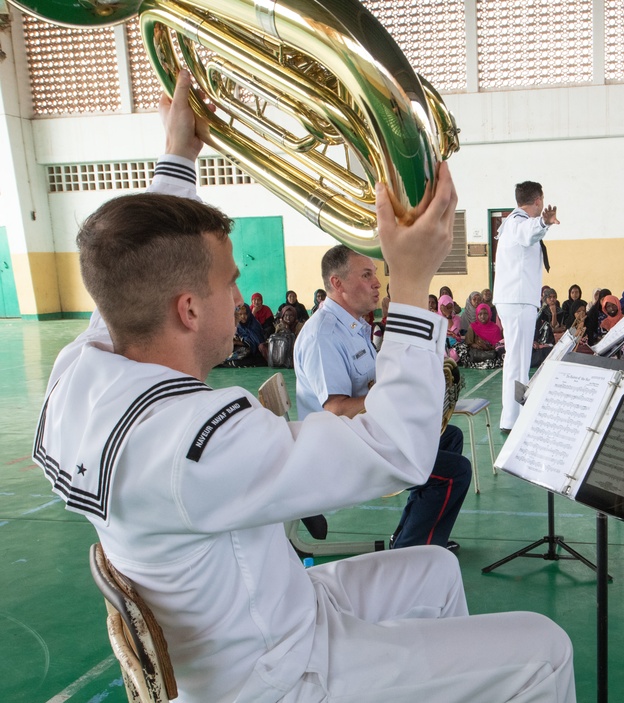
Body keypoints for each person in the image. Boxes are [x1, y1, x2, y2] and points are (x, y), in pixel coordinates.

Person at [33, 72, 575, 703]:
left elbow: (134, 269)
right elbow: (398, 450)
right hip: (278, 674)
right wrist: (411, 283)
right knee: (544, 647)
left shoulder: (86, 366)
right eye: (228, 283)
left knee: (436, 566)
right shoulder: (196, 446)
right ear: (187, 310)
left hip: (259, 605)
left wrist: (178, 153)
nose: (239, 298)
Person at [294, 243, 471, 551]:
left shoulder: (355, 326)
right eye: (366, 275)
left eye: (374, 274)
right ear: (337, 284)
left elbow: (375, 383)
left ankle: (411, 535)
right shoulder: (324, 335)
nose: (377, 283)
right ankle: (411, 553)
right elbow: (335, 409)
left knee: (448, 438)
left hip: (364, 432)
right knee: (455, 473)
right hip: (341, 447)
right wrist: (395, 398)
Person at [493, 181, 558, 431]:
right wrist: (544, 222)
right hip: (518, 300)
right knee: (518, 361)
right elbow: (529, 232)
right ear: (539, 201)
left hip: (516, 299)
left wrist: (541, 225)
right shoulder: (519, 222)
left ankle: (514, 414)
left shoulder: (512, 221)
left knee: (516, 360)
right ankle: (513, 418)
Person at [458, 303, 504, 368]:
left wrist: (487, 347)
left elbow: (498, 345)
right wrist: (476, 345)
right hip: (477, 353)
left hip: (491, 354)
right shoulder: (473, 327)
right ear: (477, 315)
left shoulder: (495, 328)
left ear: (489, 314)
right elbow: (468, 343)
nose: (483, 316)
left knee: (496, 357)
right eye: (480, 314)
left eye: (485, 313)